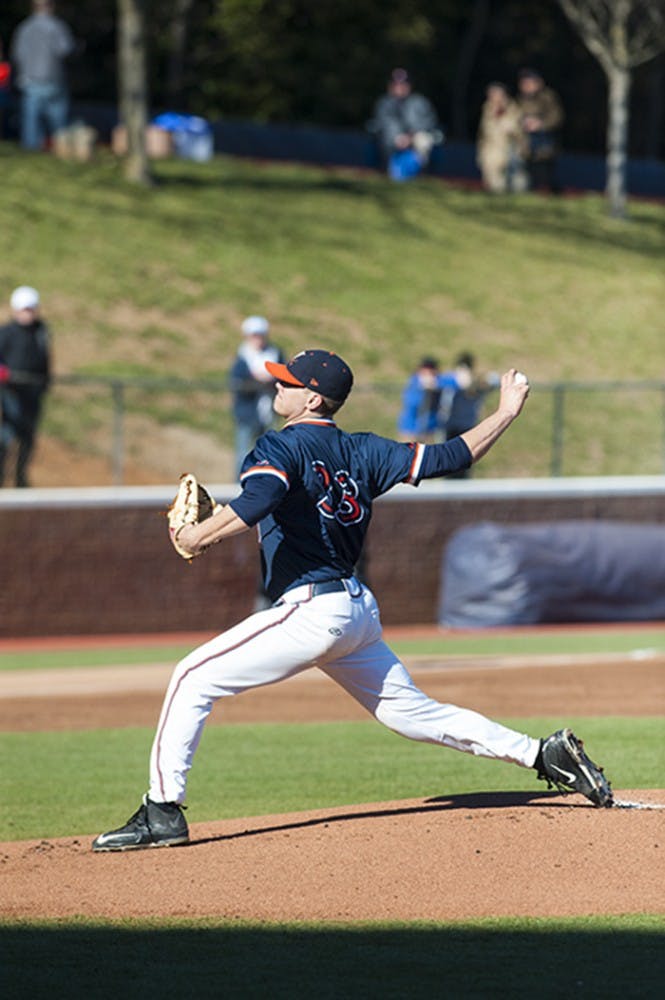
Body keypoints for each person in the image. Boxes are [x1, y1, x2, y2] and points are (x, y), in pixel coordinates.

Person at [92, 348, 612, 851]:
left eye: (289, 382)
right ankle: (543, 754)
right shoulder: (365, 450)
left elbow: (262, 498)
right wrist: (505, 412)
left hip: (312, 610)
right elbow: (455, 455)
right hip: (355, 611)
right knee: (412, 715)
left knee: (191, 678)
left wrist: (196, 536)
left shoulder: (280, 446)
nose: (278, 385)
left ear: (314, 399)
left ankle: (161, 812)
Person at [0, 285, 51, 487]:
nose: (27, 314)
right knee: (7, 436)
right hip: (11, 393)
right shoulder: (6, 333)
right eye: (24, 309)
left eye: (31, 309)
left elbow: (45, 359)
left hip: (33, 393)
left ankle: (21, 479)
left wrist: (45, 383)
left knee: (27, 438)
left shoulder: (41, 331)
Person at [10, 1, 75, 151]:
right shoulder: (57, 26)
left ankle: (31, 149)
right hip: (52, 78)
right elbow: (65, 50)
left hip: (29, 79)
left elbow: (17, 54)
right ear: (50, 6)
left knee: (31, 121)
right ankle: (60, 147)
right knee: (58, 120)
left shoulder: (24, 28)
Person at [229, 315, 285, 479]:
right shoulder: (243, 356)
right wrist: (258, 380)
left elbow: (282, 376)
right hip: (247, 413)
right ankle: (239, 486)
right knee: (243, 453)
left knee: (270, 453)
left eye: (260, 335)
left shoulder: (274, 353)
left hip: (269, 411)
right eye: (254, 335)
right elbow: (239, 383)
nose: (257, 339)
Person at [368, 68, 441, 181]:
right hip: (392, 143)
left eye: (403, 84)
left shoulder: (419, 102)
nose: (399, 87)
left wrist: (410, 137)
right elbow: (382, 124)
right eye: (396, 84)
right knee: (384, 140)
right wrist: (397, 138)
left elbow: (429, 123)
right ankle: (392, 172)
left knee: (424, 140)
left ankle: (421, 174)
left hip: (414, 141)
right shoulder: (384, 103)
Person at [441, 352, 500, 478]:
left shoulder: (477, 384)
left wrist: (477, 383)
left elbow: (494, 380)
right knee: (448, 462)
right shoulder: (450, 382)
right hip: (450, 427)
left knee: (465, 461)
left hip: (467, 427)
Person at [516, 68, 565, 194]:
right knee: (527, 174)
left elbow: (557, 117)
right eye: (524, 82)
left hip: (544, 143)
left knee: (546, 174)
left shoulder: (548, 97)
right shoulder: (520, 99)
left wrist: (540, 124)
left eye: (529, 82)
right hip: (525, 144)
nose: (526, 86)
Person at [476, 82, 528, 194]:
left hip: (510, 150)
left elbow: (517, 131)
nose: (493, 97)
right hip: (490, 150)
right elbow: (484, 130)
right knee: (492, 181)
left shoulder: (513, 109)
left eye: (496, 94)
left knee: (516, 181)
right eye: (491, 94)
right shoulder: (487, 108)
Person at [397, 356, 457, 443]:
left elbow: (453, 383)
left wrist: (436, 384)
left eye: (431, 370)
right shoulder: (414, 382)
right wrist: (423, 390)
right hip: (410, 430)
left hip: (429, 430)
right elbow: (411, 403)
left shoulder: (438, 380)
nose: (428, 373)